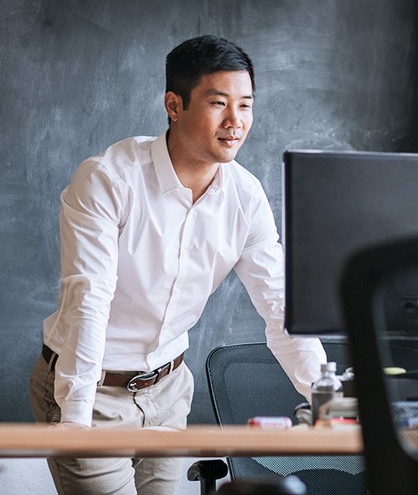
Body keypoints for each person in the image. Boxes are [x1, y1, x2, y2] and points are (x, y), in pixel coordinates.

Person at [28, 35, 326, 494]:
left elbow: (282, 306)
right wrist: (76, 421)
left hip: (167, 391)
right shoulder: (108, 179)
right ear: (174, 104)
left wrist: (327, 400)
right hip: (90, 389)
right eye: (219, 103)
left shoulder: (246, 196)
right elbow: (90, 299)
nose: (236, 122)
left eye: (245, 105)